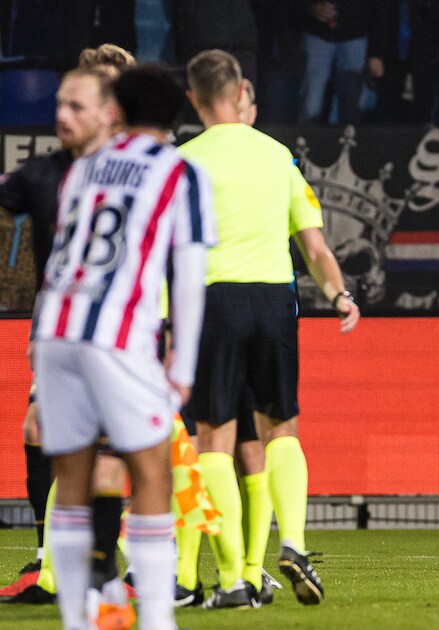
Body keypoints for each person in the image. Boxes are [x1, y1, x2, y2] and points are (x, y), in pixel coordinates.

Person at [32, 63, 215, 630]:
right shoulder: (180, 172)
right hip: (117, 336)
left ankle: (76, 620)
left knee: (73, 482)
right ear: (178, 111)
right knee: (152, 471)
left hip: (54, 331)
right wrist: (181, 367)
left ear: (118, 112)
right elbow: (187, 274)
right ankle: (158, 619)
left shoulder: (84, 168)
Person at [179, 48, 360, 608]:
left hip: (214, 301)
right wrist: (340, 295)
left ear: (194, 98)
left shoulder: (182, 162)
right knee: (281, 428)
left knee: (214, 439)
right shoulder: (279, 157)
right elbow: (315, 247)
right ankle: (296, 544)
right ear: (239, 94)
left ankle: (235, 577)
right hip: (274, 301)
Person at [0, 44, 136, 611]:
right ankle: (51, 559)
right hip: (58, 325)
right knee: (40, 432)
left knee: (121, 455)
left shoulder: (143, 165)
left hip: (123, 327)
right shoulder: (49, 171)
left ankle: (118, 566)